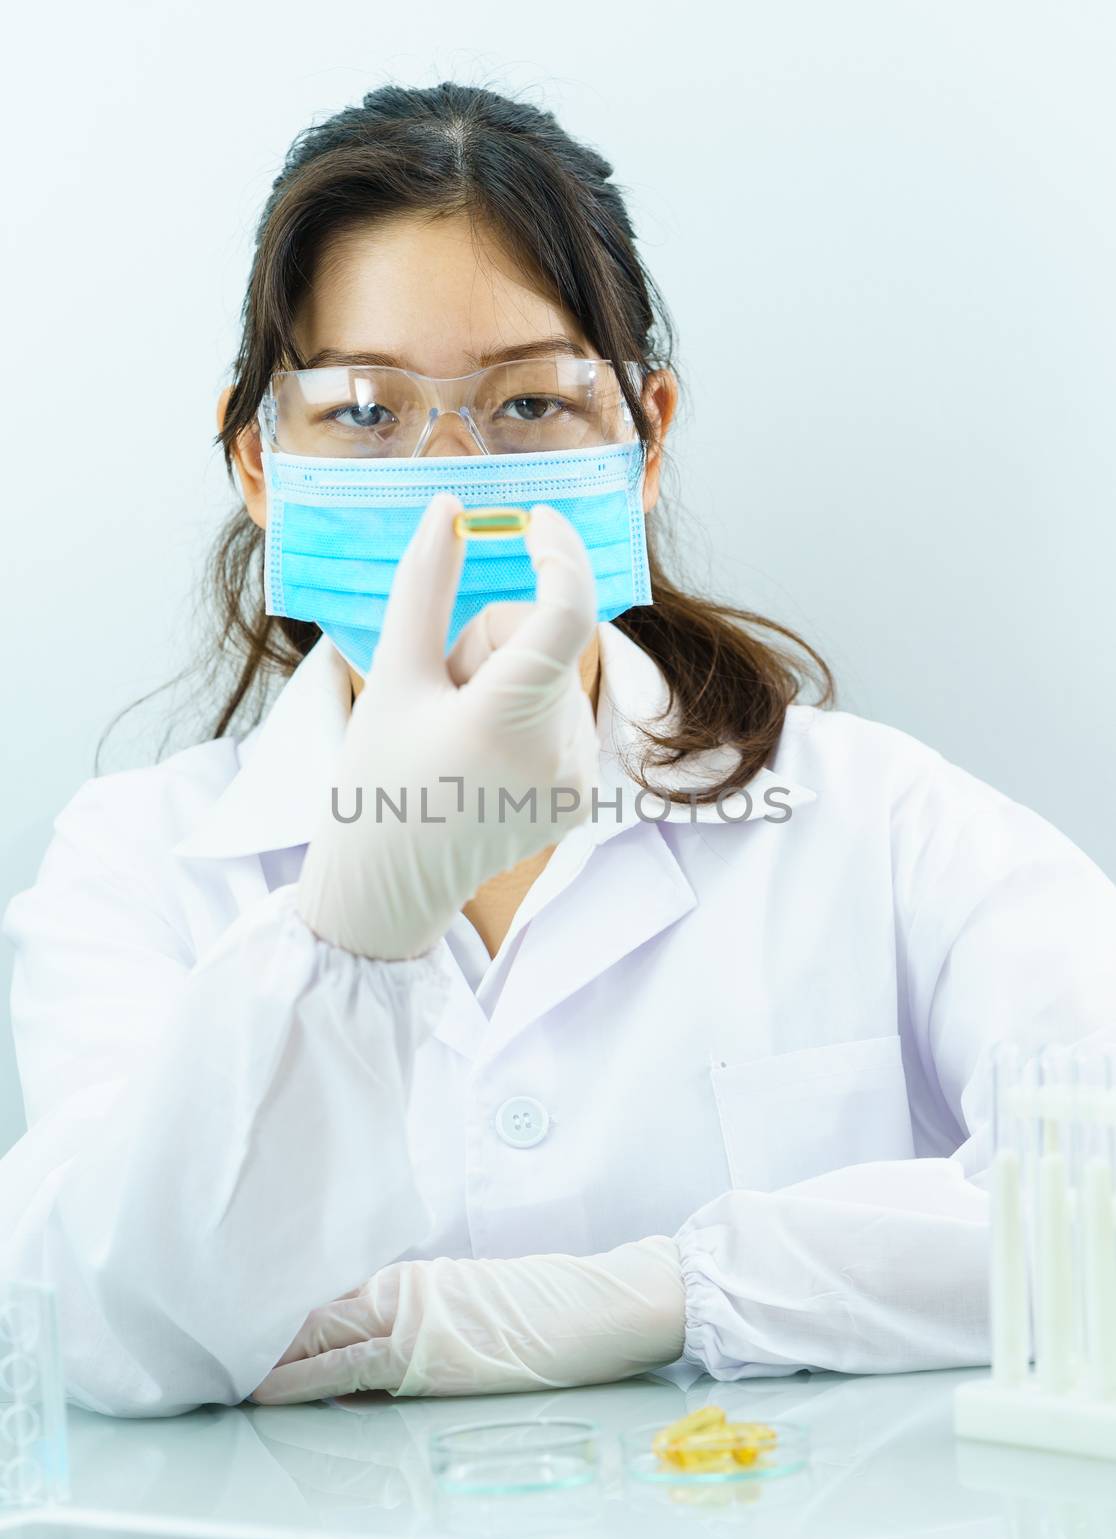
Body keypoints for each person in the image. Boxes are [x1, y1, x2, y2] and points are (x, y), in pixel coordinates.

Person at [3, 83, 1114, 1420]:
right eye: (365, 412)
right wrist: (352, 927)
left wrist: (667, 1295)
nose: (450, 472)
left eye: (529, 405)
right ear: (259, 462)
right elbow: (100, 1332)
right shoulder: (138, 866)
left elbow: (1097, 1203)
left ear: (641, 436)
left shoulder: (879, 821)